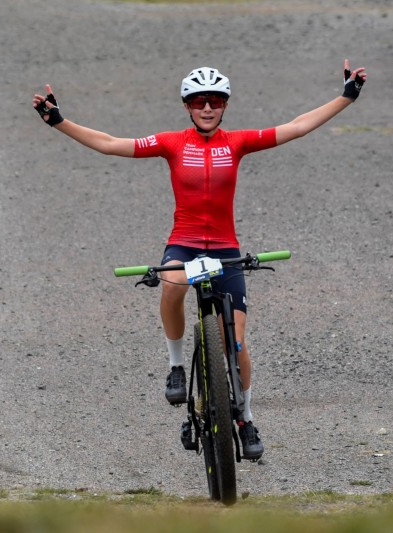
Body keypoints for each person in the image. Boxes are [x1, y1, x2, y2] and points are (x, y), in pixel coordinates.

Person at [32, 60, 367, 460]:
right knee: (172, 283)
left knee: (236, 341)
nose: (207, 108)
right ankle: (176, 365)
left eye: (215, 100)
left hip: (225, 249)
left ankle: (245, 415)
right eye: (198, 101)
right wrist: (58, 121)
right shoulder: (171, 143)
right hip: (185, 244)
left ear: (225, 105)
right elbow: (109, 143)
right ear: (187, 106)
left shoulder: (238, 142)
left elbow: (296, 126)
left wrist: (346, 98)